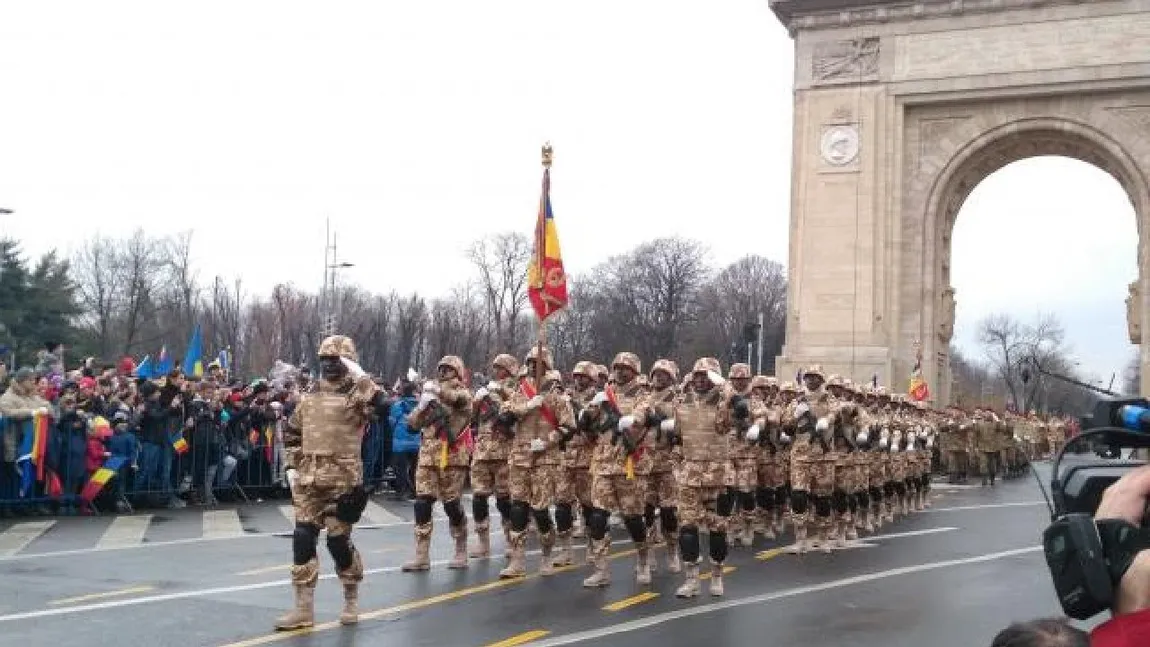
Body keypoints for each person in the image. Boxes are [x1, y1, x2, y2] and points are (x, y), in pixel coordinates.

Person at [275, 335, 382, 631]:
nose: (328, 365)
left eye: (335, 360)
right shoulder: (310, 395)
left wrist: (361, 377)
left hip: (343, 482)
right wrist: (291, 466)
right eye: (324, 359)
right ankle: (303, 609)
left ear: (348, 362)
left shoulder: (357, 395)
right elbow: (293, 432)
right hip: (309, 481)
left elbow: (382, 406)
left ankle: (350, 596)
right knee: (302, 539)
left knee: (337, 543)